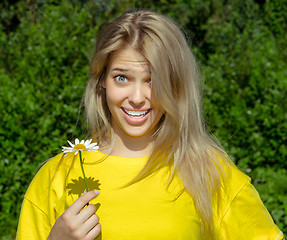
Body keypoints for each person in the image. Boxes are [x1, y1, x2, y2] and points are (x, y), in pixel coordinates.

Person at [16, 9, 284, 240]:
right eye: (122, 78)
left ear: (176, 86)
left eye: (153, 80)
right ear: (102, 80)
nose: (136, 98)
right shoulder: (57, 176)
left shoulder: (209, 172)